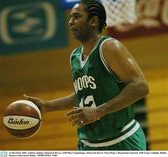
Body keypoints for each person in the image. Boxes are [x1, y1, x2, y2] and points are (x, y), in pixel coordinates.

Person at [24, 0, 149, 150]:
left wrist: (99, 111)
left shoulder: (109, 47)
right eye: (70, 17)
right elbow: (83, 94)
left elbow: (140, 87)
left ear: (94, 21)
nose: (71, 22)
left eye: (76, 17)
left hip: (122, 141)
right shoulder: (75, 56)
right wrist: (47, 106)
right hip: (88, 145)